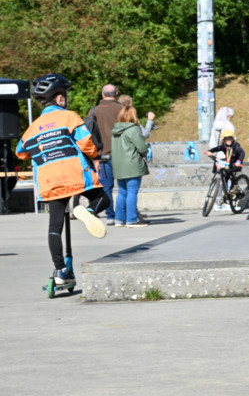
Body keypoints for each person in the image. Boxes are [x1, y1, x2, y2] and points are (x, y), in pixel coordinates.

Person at [16, 74, 109, 287]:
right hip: (75, 176)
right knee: (103, 199)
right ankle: (89, 211)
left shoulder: (32, 128)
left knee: (54, 227)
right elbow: (86, 142)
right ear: (59, 99)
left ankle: (60, 270)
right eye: (64, 96)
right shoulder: (69, 117)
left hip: (50, 182)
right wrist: (95, 154)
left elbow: (20, 151)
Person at [86, 84, 122, 225]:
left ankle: (110, 216)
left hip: (102, 156)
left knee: (107, 187)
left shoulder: (94, 111)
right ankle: (123, 215)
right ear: (116, 94)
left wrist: (94, 156)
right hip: (122, 155)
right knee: (125, 188)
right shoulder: (122, 109)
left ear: (102, 95)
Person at [111, 106, 150, 227]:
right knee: (132, 191)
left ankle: (119, 219)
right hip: (132, 163)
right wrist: (145, 153)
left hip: (118, 164)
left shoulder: (115, 130)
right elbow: (142, 147)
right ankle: (132, 219)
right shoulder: (133, 129)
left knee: (122, 192)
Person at [204, 128, 245, 209]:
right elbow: (217, 148)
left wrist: (239, 161)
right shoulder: (224, 146)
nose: (228, 140)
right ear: (224, 140)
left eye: (230, 139)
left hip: (235, 164)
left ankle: (235, 187)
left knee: (230, 176)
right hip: (227, 164)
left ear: (233, 139)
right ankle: (225, 198)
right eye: (226, 139)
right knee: (224, 176)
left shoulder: (236, 146)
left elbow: (242, 153)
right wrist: (210, 151)